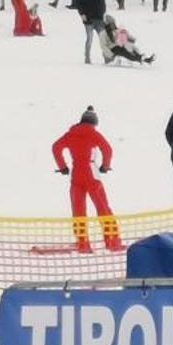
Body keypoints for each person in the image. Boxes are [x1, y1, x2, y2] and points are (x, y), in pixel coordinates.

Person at [52, 107, 120, 253]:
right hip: (91, 174)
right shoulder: (93, 133)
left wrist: (63, 167)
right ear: (94, 123)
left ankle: (83, 245)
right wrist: (105, 166)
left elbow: (56, 147)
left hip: (76, 174)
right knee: (103, 208)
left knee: (78, 211)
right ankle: (112, 242)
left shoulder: (70, 134)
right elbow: (107, 149)